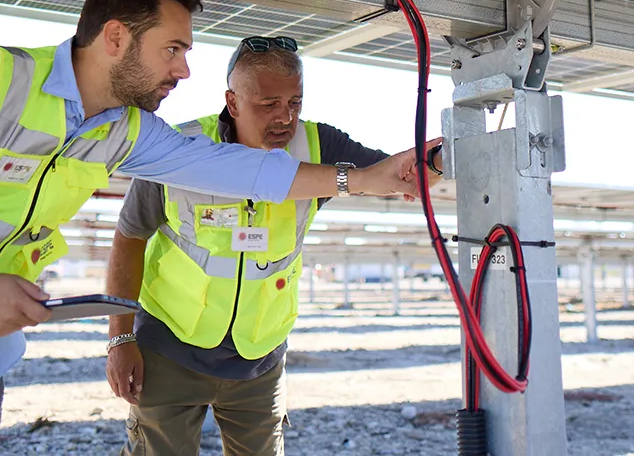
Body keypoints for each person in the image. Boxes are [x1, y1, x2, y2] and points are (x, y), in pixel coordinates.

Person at [0, 0, 430, 456]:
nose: (184, 70)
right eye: (173, 49)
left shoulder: (126, 132)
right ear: (115, 39)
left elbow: (238, 170)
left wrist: (358, 176)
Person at [105, 35, 444, 456]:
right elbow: (130, 235)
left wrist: (441, 161)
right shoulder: (182, 149)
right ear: (232, 102)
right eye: (269, 104)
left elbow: (396, 173)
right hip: (170, 346)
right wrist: (120, 339)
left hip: (259, 356)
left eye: (295, 102)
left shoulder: (319, 146)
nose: (285, 117)